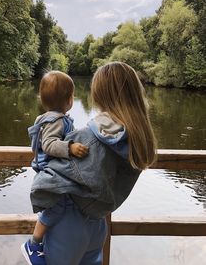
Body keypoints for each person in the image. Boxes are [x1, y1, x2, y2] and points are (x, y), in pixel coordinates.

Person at [28, 62, 157, 265]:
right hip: (98, 223)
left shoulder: (88, 138)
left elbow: (46, 182)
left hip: (68, 224)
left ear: (99, 94)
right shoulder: (139, 139)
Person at [21, 70, 89, 265]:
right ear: (69, 100)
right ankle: (33, 243)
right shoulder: (56, 120)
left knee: (60, 203)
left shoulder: (50, 118)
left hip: (52, 168)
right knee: (56, 207)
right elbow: (49, 144)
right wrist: (70, 147)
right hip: (51, 171)